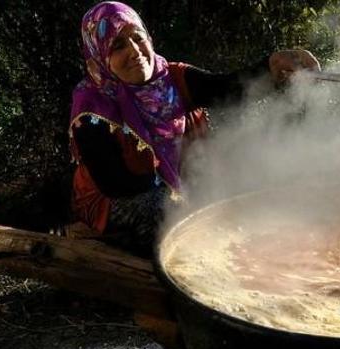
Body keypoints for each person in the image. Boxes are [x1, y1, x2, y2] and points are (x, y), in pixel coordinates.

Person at [68, 1, 319, 256]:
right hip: (112, 199)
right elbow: (115, 184)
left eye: (137, 38)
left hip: (175, 189)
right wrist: (192, 198)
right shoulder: (92, 104)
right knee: (170, 217)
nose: (134, 51)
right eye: (118, 46)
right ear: (99, 56)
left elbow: (225, 89)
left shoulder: (171, 78)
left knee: (232, 186)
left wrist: (272, 67)